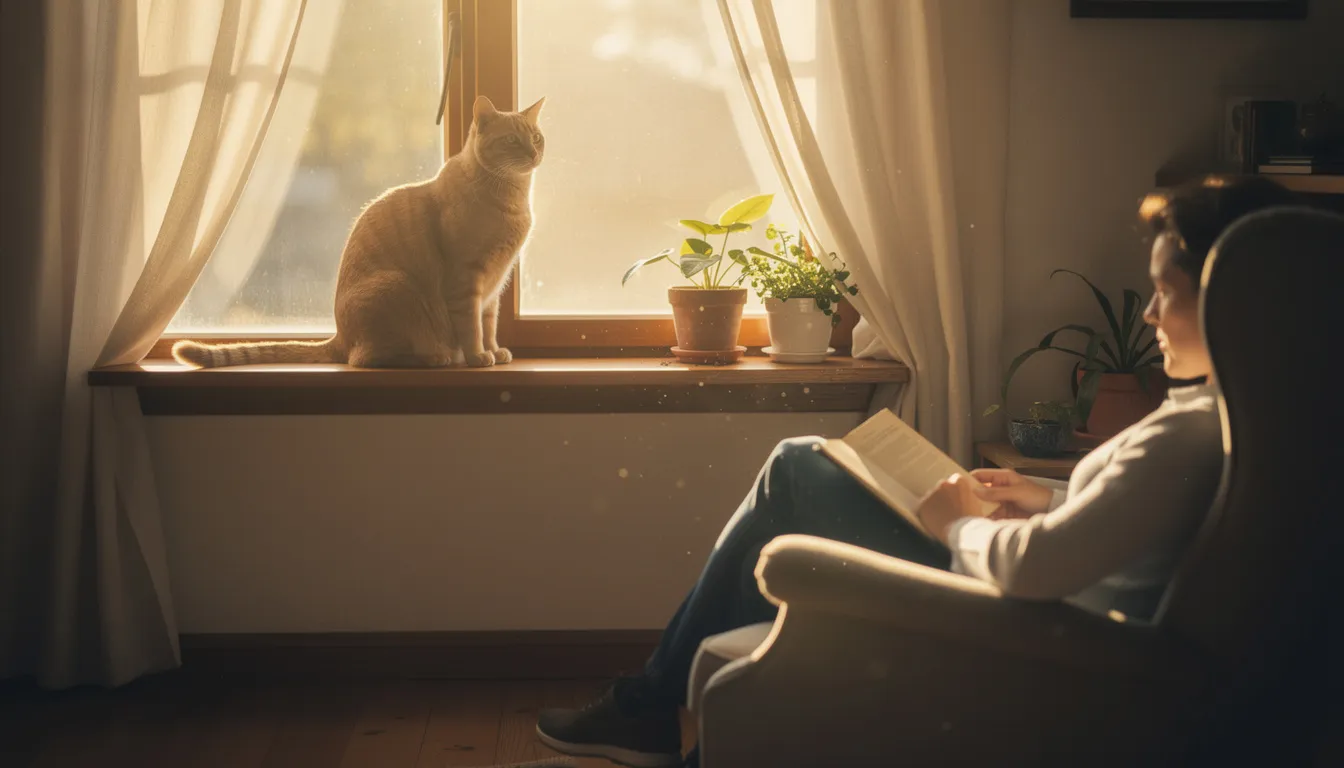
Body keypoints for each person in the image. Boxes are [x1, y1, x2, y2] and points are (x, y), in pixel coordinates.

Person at [535, 176, 1299, 768]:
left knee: (797, 468)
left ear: (1232, 304)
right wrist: (1046, 494)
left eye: (1165, 294)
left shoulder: (1190, 434)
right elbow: (1147, 518)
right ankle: (667, 712)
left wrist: (957, 524)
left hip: (1024, 627)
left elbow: (1036, 570)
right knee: (805, 467)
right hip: (1049, 611)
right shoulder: (1241, 421)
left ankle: (648, 705)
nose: (1149, 316)